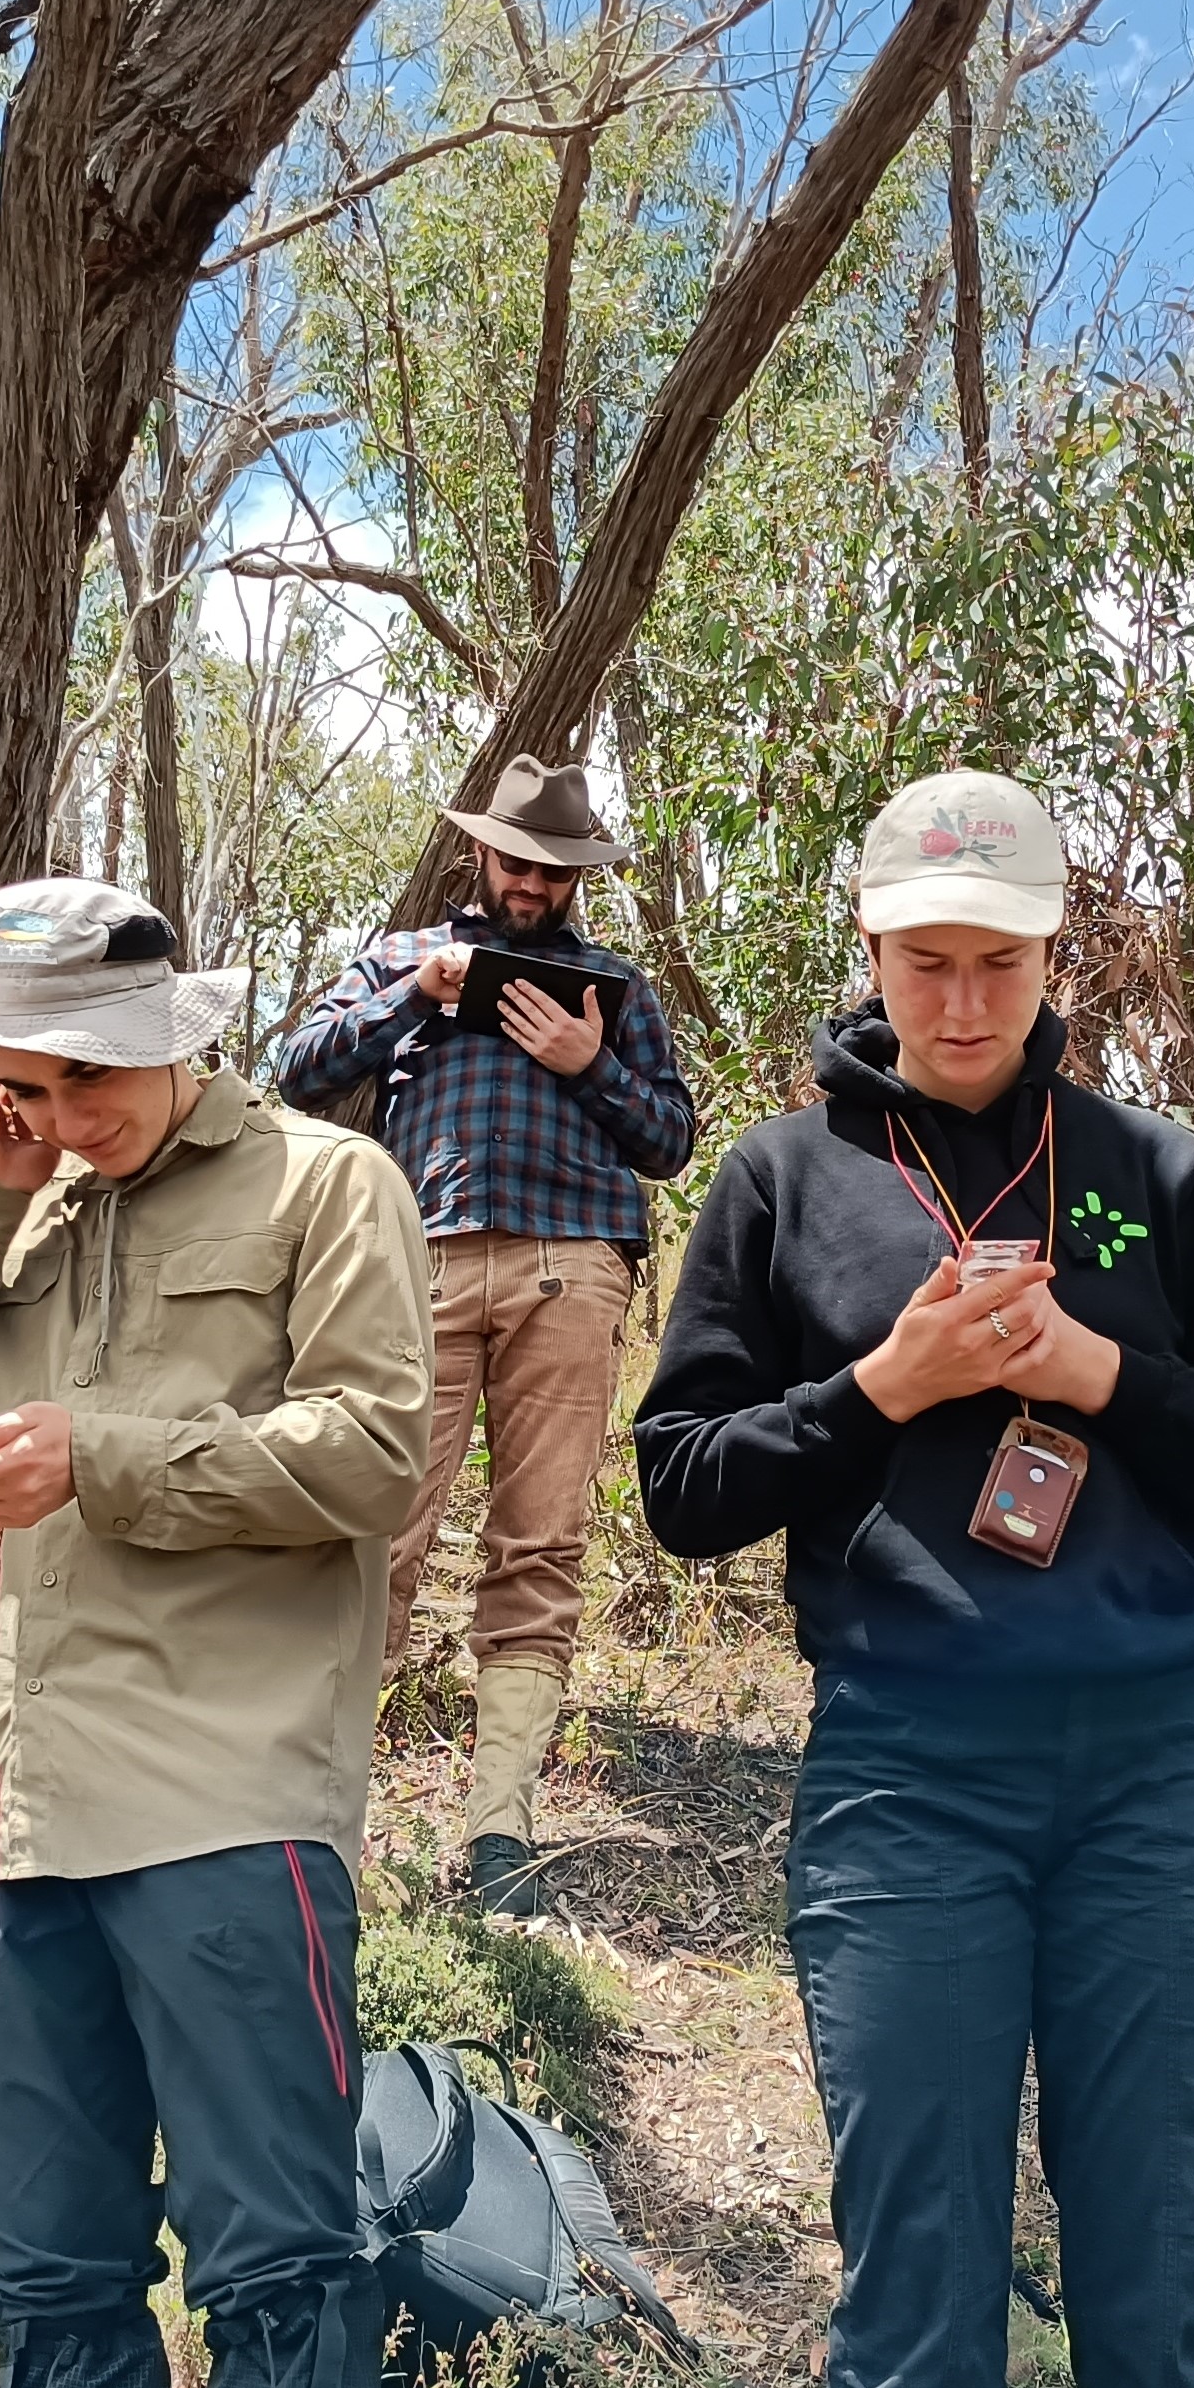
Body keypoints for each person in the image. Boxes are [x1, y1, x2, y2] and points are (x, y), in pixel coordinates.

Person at [632, 773, 1194, 2388]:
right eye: (927, 961)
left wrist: (1105, 1377)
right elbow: (684, 1491)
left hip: (1151, 1779)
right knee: (916, 2297)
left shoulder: (1154, 1175)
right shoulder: (783, 1182)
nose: (961, 1004)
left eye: (1000, 965)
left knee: (1163, 2295)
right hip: (904, 1779)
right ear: (869, 950)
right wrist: (888, 1390)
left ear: (1052, 960)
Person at [0, 877, 433, 2388]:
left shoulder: (328, 1185)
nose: (58, 1109)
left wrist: (96, 1457)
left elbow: (378, 1451)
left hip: (224, 1812)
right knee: (49, 2280)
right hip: (0, 1828)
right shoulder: (7, 1212)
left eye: (89, 1075)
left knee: (282, 2274)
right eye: (23, 1073)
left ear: (187, 1035)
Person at [278, 755, 695, 1916]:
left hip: (576, 1269)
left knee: (540, 1542)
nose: (533, 882)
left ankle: (500, 1832)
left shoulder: (613, 983)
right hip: (424, 1262)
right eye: (518, 859)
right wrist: (423, 993)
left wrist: (588, 1062)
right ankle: (322, 1829)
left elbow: (670, 1138)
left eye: (556, 868)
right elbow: (295, 1072)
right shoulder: (402, 958)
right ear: (481, 853)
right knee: (378, 1527)